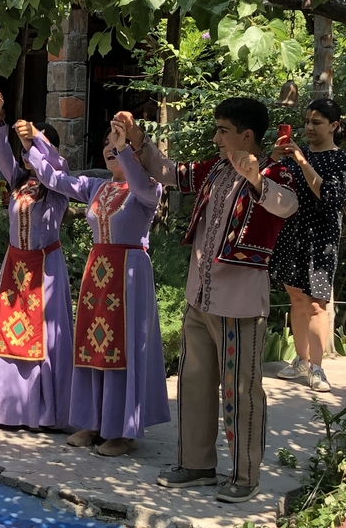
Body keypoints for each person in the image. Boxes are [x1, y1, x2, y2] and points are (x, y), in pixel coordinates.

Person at [120, 98, 298, 502]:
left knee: (240, 390)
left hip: (238, 304)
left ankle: (244, 476)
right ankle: (197, 464)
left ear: (246, 135)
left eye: (223, 130)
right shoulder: (215, 168)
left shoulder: (275, 172)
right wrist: (137, 139)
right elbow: (170, 173)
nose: (216, 137)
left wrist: (257, 180)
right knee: (195, 384)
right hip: (199, 298)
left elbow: (287, 205)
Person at [32, 122, 170, 456]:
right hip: (99, 275)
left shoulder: (149, 189)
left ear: (134, 152)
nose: (111, 148)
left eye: (119, 143)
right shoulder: (96, 187)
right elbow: (56, 179)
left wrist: (126, 150)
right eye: (108, 143)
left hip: (129, 275)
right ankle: (94, 423)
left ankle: (122, 432)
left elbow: (141, 185)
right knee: (93, 347)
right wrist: (33, 144)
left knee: (124, 349)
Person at [0, 87, 74, 431]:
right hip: (14, 269)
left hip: (46, 271)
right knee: (4, 333)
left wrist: (37, 142)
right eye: (25, 147)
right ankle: (3, 409)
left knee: (45, 339)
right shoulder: (19, 182)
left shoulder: (60, 189)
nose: (27, 154)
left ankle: (44, 414)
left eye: (34, 146)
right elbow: (1, 153)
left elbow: (57, 166)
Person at [270, 98, 346, 393]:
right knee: (296, 298)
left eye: (316, 122)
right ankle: (301, 361)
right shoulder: (295, 156)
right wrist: (277, 160)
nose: (309, 127)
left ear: (334, 126)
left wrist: (303, 162)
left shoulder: (338, 159)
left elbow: (329, 198)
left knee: (316, 303)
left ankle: (318, 368)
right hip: (293, 232)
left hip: (321, 239)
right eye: (306, 122)